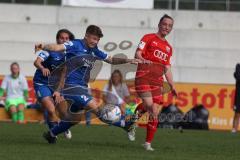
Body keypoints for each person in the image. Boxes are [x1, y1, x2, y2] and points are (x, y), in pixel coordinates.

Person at [35, 25, 140, 144]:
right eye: (93, 38)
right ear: (86, 36)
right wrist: (42, 46)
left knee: (74, 119)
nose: (95, 42)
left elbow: (110, 59)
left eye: (97, 40)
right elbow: (57, 47)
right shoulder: (75, 44)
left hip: (82, 87)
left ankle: (51, 134)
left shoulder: (95, 51)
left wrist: (128, 60)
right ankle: (125, 124)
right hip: (71, 87)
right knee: (98, 110)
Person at [129, 14, 178, 151]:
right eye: (164, 24)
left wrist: (172, 86)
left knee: (153, 111)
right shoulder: (148, 37)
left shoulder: (168, 48)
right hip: (143, 76)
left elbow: (167, 68)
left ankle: (147, 142)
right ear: (159, 24)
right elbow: (137, 53)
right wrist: (142, 59)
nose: (166, 27)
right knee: (150, 106)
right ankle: (133, 123)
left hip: (157, 81)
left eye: (169, 26)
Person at [33, 29, 75, 139]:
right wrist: (42, 68)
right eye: (62, 38)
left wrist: (58, 90)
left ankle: (61, 127)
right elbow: (36, 62)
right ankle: (53, 133)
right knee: (51, 110)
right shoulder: (50, 50)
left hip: (56, 84)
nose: (64, 40)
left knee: (63, 112)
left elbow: (63, 75)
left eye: (67, 38)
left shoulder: (69, 55)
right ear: (57, 39)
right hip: (41, 83)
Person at [232, 63, 240, 133]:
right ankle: (234, 129)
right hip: (238, 95)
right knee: (237, 113)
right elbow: (238, 76)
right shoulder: (238, 66)